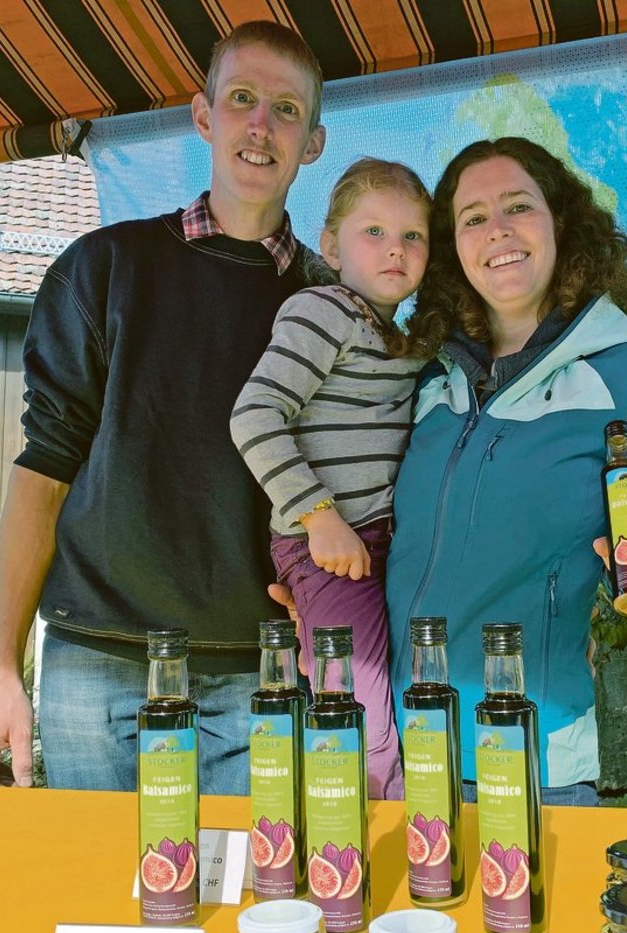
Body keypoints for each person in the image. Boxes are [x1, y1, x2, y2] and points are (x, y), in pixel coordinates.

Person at [0, 21, 328, 792]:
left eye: (287, 110)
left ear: (313, 143)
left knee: (252, 876)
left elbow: (359, 484)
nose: (261, 126)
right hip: (98, 663)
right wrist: (1, 666)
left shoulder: (332, 302)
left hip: (263, 672)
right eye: (241, 99)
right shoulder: (103, 269)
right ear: (203, 117)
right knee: (97, 873)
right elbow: (43, 471)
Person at [390, 136, 627, 806]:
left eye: (518, 207)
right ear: (453, 248)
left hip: (532, 759)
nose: (498, 230)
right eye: (473, 218)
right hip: (396, 750)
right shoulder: (425, 376)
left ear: (561, 223)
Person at [230, 159, 431, 800]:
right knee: (360, 717)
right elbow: (254, 414)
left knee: (393, 700)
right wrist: (320, 517)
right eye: (373, 232)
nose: (395, 249)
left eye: (413, 236)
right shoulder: (324, 310)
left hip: (380, 543)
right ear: (331, 247)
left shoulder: (401, 338)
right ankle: (367, 838)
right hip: (327, 546)